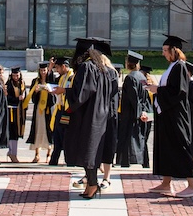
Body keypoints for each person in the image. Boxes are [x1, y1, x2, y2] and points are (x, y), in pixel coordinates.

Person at [62, 39, 121, 199]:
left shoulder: (87, 67)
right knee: (92, 152)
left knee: (88, 151)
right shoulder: (103, 69)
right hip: (101, 114)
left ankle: (93, 184)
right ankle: (91, 184)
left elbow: (82, 93)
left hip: (89, 115)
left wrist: (67, 94)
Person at [152, 35, 193, 197]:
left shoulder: (179, 67)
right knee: (167, 147)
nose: (163, 54)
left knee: (181, 147)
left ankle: (192, 185)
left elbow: (179, 92)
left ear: (174, 50)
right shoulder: (172, 67)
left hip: (177, 116)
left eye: (166, 50)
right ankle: (166, 183)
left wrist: (157, 90)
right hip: (168, 115)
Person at [114, 53, 152, 168]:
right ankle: (143, 162)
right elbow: (145, 96)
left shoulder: (130, 78)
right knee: (139, 138)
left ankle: (126, 162)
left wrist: (139, 112)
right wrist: (143, 111)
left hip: (130, 114)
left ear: (128, 63)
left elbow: (133, 98)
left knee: (128, 139)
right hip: (140, 112)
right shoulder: (142, 77)